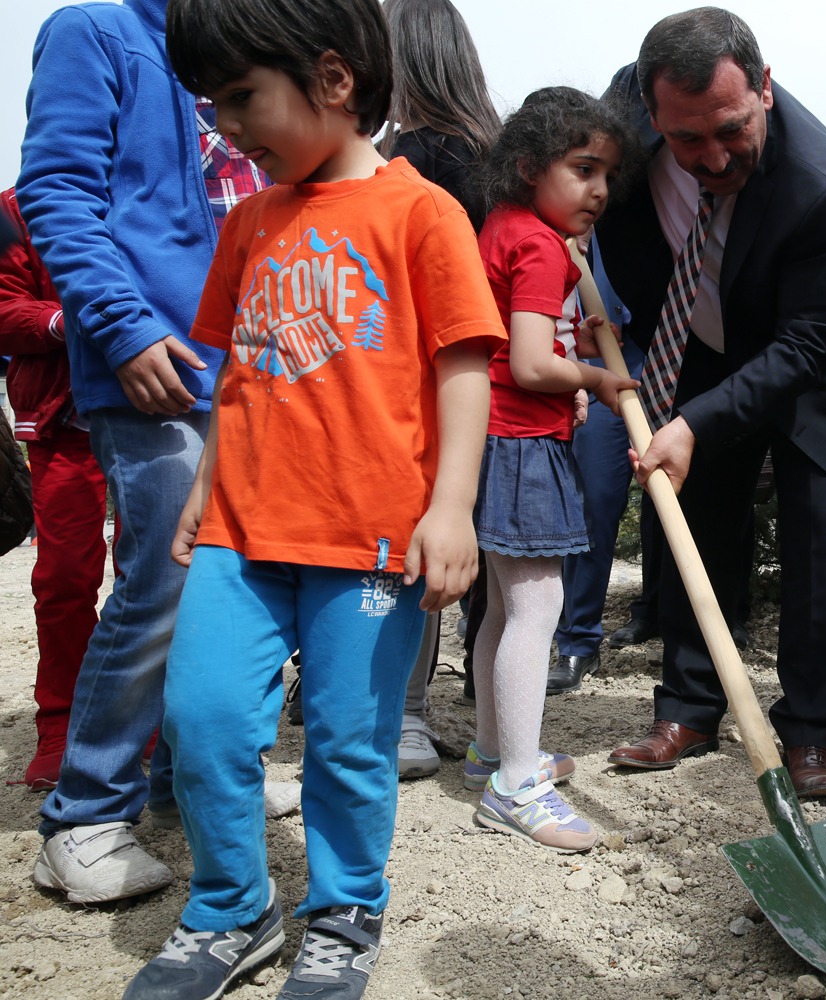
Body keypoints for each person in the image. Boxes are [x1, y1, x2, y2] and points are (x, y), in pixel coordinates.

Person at [123, 2, 502, 997]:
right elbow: (238, 369)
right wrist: (205, 484)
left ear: (333, 80)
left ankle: (344, 910)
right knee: (201, 717)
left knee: (347, 741)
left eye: (242, 97)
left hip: (370, 539)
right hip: (241, 532)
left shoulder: (423, 212)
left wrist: (451, 506)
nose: (226, 126)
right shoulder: (249, 222)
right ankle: (230, 907)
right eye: (212, 105)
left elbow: (465, 365)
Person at [19, 0, 276, 906]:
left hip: (248, 363)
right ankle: (84, 814)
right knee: (162, 578)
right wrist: (122, 328)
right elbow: (57, 191)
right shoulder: (97, 32)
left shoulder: (244, 38)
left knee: (229, 583)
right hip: (152, 361)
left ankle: (183, 780)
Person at [600, 8, 826, 799]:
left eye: (732, 130)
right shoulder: (620, 127)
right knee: (697, 520)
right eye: (687, 140)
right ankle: (689, 708)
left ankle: (812, 730)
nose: (714, 156)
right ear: (650, 113)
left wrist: (695, 421)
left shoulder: (824, 186)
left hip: (816, 353)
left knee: (824, 532)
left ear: (763, 88)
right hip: (703, 334)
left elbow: (807, 345)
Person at [466, 86, 636, 852]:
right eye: (583, 169)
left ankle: (494, 751)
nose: (599, 190)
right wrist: (596, 377)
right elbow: (533, 364)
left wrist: (576, 340)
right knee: (539, 608)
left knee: (505, 609)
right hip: (522, 442)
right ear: (530, 165)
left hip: (491, 437)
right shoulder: (538, 244)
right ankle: (515, 786)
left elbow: (523, 340)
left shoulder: (506, 227)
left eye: (608, 175)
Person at [381, 0, 503, 780]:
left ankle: (406, 715)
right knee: (493, 556)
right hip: (503, 381)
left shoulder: (404, 162)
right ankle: (495, 724)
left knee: (411, 552)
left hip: (419, 380)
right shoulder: (496, 154)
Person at [0, 188, 107, 791]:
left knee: (163, 574)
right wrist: (66, 319)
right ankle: (62, 724)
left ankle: (148, 717)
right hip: (64, 421)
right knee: (65, 575)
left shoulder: (160, 190)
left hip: (165, 408)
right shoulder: (14, 209)